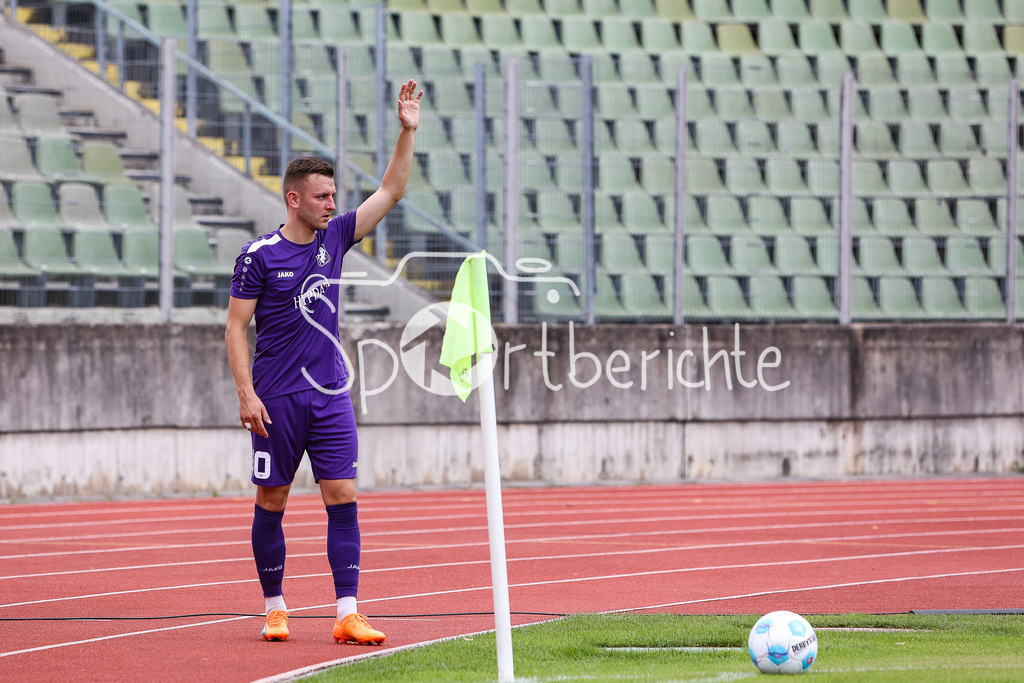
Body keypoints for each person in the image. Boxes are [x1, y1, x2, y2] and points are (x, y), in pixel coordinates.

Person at [225, 79, 423, 644]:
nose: (333, 205)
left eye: (334, 196)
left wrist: (406, 132)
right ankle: (275, 607)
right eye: (322, 197)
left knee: (344, 498)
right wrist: (246, 393)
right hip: (277, 397)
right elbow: (236, 326)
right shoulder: (258, 256)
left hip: (330, 393)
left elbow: (390, 192)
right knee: (273, 501)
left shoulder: (334, 238)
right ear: (294, 198)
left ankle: (346, 613)